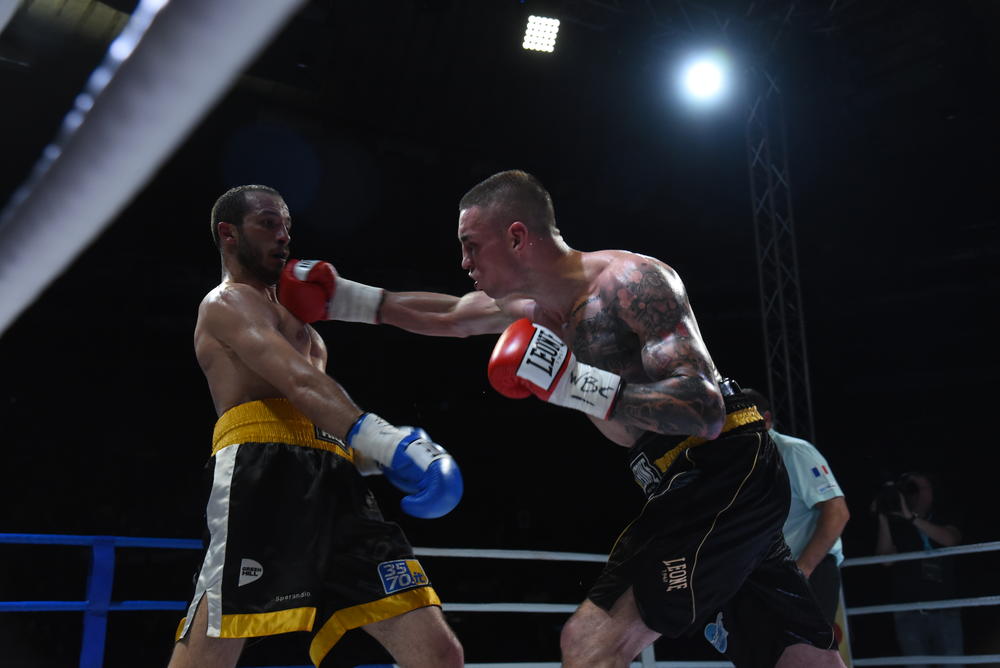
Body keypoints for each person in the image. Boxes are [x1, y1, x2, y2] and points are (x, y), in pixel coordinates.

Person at [278, 169, 845, 667]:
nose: (464, 262)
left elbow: (705, 409)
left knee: (589, 642)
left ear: (516, 236)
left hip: (722, 466)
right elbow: (449, 315)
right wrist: (344, 299)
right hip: (679, 475)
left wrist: (576, 385)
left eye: (471, 246)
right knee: (798, 656)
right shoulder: (529, 308)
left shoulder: (631, 282)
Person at [168, 185, 465, 668]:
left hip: (336, 481)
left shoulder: (300, 323)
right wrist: (386, 441)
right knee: (212, 653)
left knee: (439, 653)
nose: (284, 236)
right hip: (261, 475)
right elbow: (298, 382)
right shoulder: (226, 303)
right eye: (268, 223)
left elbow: (312, 417)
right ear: (228, 234)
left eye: (287, 225)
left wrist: (379, 459)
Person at [741, 388, 850, 624]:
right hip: (763, 576)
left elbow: (837, 512)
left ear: (766, 419)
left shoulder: (793, 451)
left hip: (805, 570)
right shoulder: (740, 463)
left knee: (808, 647)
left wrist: (802, 571)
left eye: (742, 421)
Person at [873, 471, 964, 668]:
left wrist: (912, 518)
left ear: (931, 491)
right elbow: (885, 560)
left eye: (919, 488)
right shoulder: (897, 525)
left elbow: (950, 539)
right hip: (909, 613)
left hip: (945, 610)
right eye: (910, 489)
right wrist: (883, 516)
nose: (916, 494)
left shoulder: (943, 516)